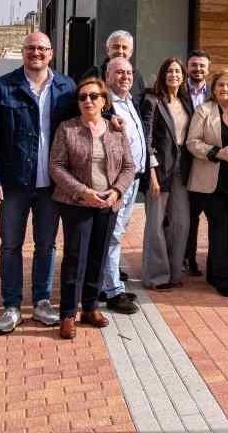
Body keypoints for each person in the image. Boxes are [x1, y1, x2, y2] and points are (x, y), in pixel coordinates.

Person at [0, 31, 78, 334]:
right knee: (10, 245)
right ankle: (11, 305)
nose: (36, 53)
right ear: (23, 52)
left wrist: (111, 115)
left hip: (52, 184)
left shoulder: (66, 87)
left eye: (42, 48)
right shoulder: (3, 87)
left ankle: (41, 302)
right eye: (31, 48)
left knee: (46, 245)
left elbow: (88, 113)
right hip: (13, 183)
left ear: (51, 53)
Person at [49, 77, 136, 340]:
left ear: (104, 101)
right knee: (75, 258)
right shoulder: (67, 129)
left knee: (98, 256)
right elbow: (56, 166)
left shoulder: (115, 130)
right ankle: (68, 313)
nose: (88, 100)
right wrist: (83, 192)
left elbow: (129, 167)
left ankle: (89, 307)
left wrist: (116, 191)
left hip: (108, 203)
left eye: (94, 96)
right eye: (83, 97)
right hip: (77, 203)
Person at [185, 70, 228, 297]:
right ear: (214, 88)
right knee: (219, 227)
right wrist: (215, 152)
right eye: (221, 85)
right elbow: (192, 142)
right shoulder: (203, 110)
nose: (225, 89)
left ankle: (213, 272)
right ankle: (223, 280)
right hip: (210, 182)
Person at [140, 58, 193, 292]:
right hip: (159, 170)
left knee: (181, 222)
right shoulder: (152, 101)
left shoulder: (185, 102)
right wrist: (151, 174)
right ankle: (156, 276)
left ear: (183, 76)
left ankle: (174, 271)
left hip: (182, 170)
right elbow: (147, 139)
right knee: (155, 224)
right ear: (163, 75)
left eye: (178, 71)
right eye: (169, 71)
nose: (174, 75)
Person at [99, 58, 146, 315]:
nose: (125, 77)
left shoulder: (129, 101)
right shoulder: (105, 105)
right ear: (107, 75)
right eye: (119, 72)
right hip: (117, 182)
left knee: (115, 234)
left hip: (133, 179)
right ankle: (113, 292)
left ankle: (106, 284)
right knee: (112, 236)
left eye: (128, 72)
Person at [182, 50, 211, 276]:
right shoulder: (179, 91)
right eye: (194, 65)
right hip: (184, 161)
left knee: (212, 214)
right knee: (189, 215)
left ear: (208, 69)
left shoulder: (215, 92)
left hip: (210, 162)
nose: (198, 69)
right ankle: (188, 257)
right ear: (187, 67)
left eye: (202, 65)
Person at [83, 30, 147, 99]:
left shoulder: (137, 76)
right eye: (116, 47)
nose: (120, 51)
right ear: (107, 50)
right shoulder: (94, 74)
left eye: (124, 47)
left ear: (131, 52)